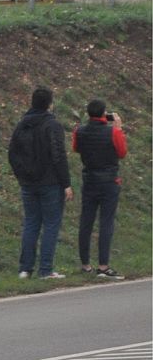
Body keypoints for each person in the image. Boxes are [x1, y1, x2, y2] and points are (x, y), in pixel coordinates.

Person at [8, 86, 73, 279]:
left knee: (31, 223)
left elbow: (12, 153)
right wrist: (66, 183)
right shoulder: (52, 125)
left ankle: (25, 269)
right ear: (49, 104)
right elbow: (58, 155)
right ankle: (45, 269)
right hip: (50, 183)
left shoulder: (22, 124)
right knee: (51, 224)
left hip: (28, 183)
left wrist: (21, 176)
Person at [72, 99, 127, 279]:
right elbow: (122, 152)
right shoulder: (112, 132)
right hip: (109, 181)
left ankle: (85, 264)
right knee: (106, 222)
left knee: (86, 221)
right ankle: (103, 265)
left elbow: (76, 148)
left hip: (89, 180)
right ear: (104, 114)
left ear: (88, 114)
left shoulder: (79, 131)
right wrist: (118, 127)